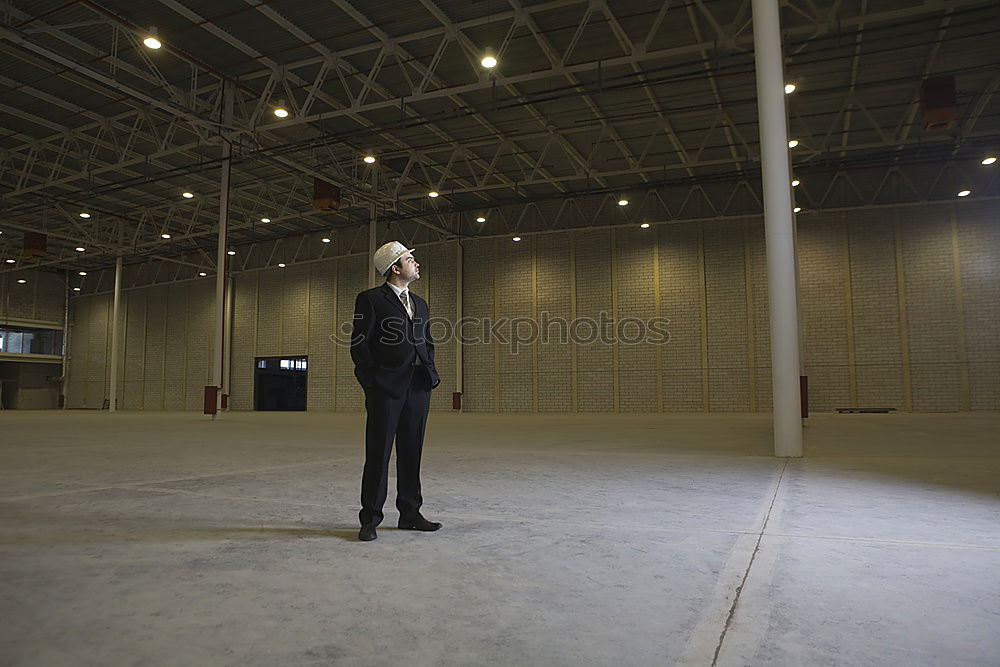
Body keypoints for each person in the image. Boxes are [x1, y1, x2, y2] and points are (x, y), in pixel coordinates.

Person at [351, 241, 442, 542]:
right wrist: (372, 382)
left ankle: (410, 514)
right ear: (395, 267)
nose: (417, 264)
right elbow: (360, 345)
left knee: (411, 452)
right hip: (386, 388)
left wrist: (429, 370)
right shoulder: (370, 300)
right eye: (410, 259)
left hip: (418, 386)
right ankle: (371, 519)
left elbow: (426, 340)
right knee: (378, 453)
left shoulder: (421, 303)